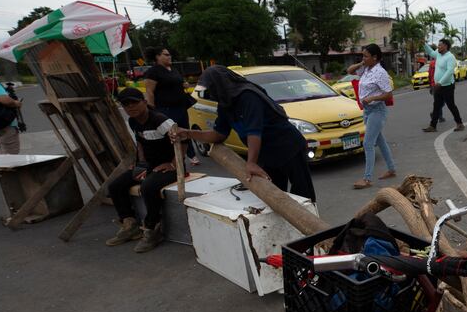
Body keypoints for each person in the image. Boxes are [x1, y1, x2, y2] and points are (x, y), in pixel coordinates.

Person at [172, 66, 316, 202]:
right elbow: (218, 134)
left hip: (288, 146)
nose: (210, 94)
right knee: (275, 193)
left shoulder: (248, 96)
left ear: (220, 85)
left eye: (211, 89)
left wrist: (251, 163)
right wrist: (188, 133)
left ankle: (311, 220)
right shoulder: (225, 104)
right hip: (267, 153)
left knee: (302, 192)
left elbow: (254, 132)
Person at [106, 88, 180, 253]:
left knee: (148, 187)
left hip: (171, 167)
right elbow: (140, 142)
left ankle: (152, 230)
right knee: (115, 186)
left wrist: (173, 164)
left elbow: (182, 140)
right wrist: (140, 163)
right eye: (126, 104)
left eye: (134, 102)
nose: (131, 107)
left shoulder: (160, 120)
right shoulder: (133, 121)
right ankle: (130, 226)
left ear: (145, 102)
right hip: (150, 166)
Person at [346, 44, 397, 189]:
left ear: (375, 57)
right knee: (380, 141)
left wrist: (373, 98)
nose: (363, 58)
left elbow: (388, 94)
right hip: (367, 110)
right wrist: (362, 63)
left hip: (377, 110)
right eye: (362, 56)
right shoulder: (366, 69)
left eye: (366, 56)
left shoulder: (380, 73)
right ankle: (392, 169)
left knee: (368, 144)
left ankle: (367, 179)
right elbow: (349, 71)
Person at [142, 46, 199, 165]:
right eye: (166, 54)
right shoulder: (153, 72)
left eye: (169, 54)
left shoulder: (173, 69)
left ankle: (190, 155)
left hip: (181, 107)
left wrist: (184, 84)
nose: (169, 56)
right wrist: (152, 110)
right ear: (158, 56)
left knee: (185, 132)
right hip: (165, 109)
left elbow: (178, 82)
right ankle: (172, 160)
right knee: (171, 134)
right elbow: (149, 92)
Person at [422, 38, 464, 133]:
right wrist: (424, 44)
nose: (438, 47)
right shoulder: (438, 54)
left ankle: (460, 123)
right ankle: (433, 126)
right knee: (436, 106)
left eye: (440, 45)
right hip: (438, 86)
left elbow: (449, 71)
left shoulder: (450, 57)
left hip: (447, 86)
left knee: (451, 105)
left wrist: (440, 82)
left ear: (445, 46)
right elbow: (431, 53)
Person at [427, 50, 445, 123]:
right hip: (440, 84)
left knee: (438, 101)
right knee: (442, 101)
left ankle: (440, 117)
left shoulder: (432, 63)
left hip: (433, 85)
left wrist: (430, 86)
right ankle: (436, 114)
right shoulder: (441, 62)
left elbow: (429, 75)